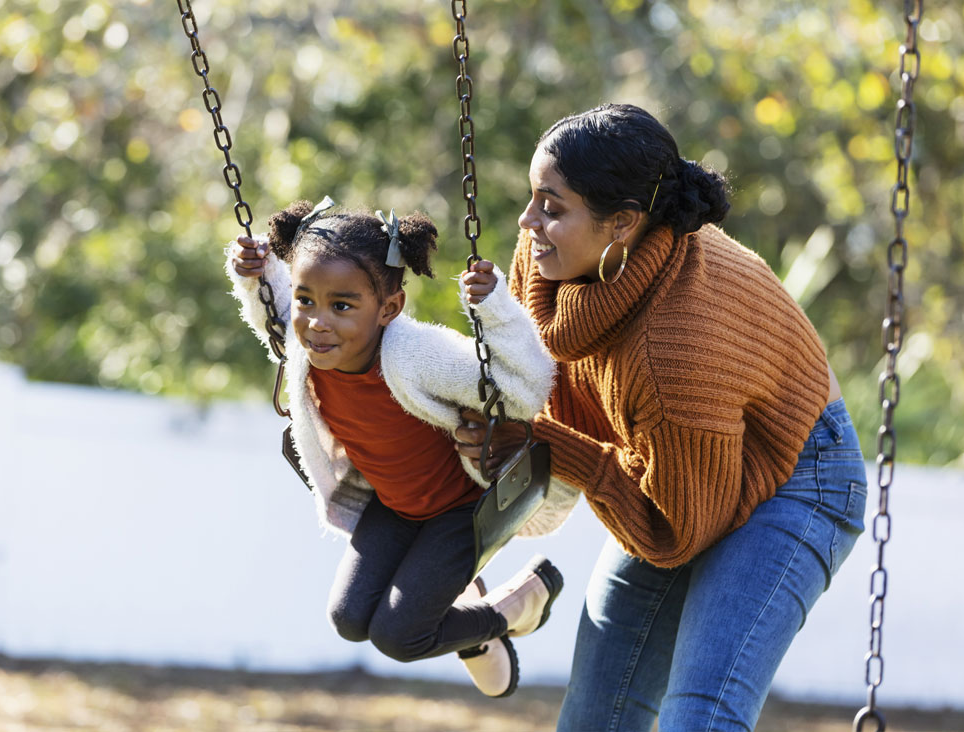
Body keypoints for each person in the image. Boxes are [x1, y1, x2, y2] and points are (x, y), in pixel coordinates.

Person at [454, 103, 867, 729]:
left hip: (798, 477)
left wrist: (551, 446)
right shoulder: (553, 261)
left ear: (622, 224)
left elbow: (676, 533)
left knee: (699, 716)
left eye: (552, 207)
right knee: (597, 712)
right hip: (683, 462)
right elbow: (538, 371)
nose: (528, 221)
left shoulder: (672, 351)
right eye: (533, 197)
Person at [226, 198, 572, 698]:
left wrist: (495, 310)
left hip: (460, 510)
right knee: (347, 618)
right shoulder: (309, 346)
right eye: (307, 301)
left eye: (342, 306)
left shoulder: (416, 355)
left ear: (389, 308)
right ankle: (463, 603)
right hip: (394, 505)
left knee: (400, 635)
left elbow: (527, 387)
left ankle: (510, 608)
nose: (318, 322)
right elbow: (277, 315)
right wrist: (253, 273)